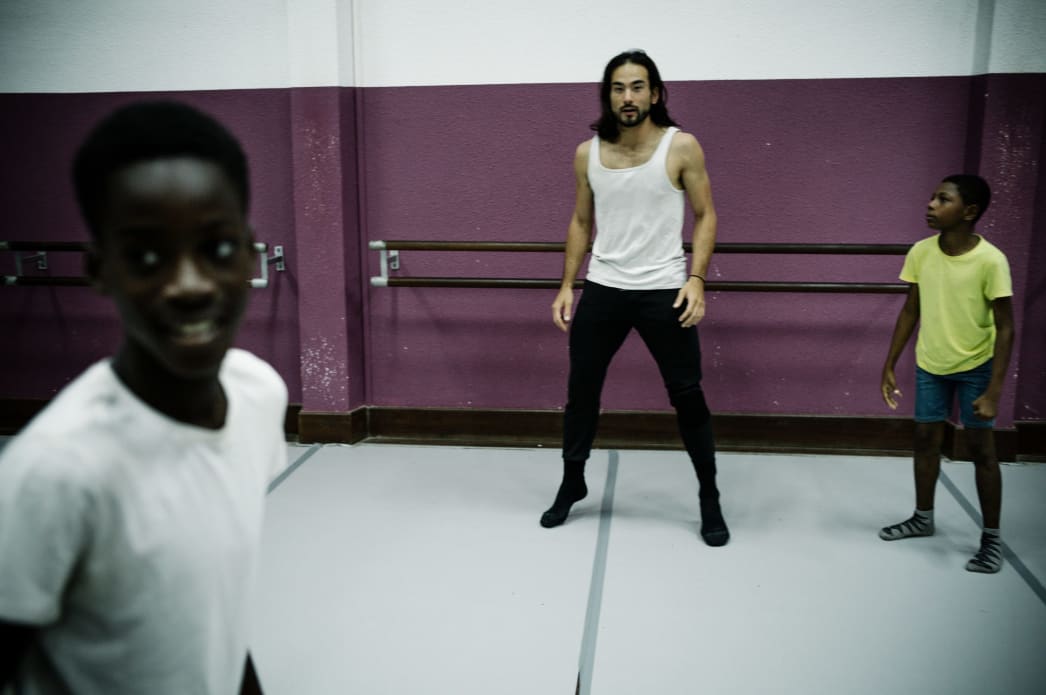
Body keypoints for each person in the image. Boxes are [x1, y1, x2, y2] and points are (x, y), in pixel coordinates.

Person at [0, 101, 288, 693]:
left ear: (251, 253)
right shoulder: (55, 472)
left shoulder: (258, 394)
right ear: (101, 269)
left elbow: (212, 615)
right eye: (148, 257)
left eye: (217, 248)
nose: (189, 284)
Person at [540, 50, 728, 546]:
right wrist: (566, 285)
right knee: (581, 392)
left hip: (665, 290)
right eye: (619, 88)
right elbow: (582, 222)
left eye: (638, 87)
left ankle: (709, 495)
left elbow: (706, 215)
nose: (628, 97)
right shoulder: (588, 154)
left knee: (687, 396)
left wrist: (698, 278)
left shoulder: (681, 147)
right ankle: (572, 481)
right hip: (604, 288)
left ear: (655, 93)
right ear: (608, 95)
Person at [879, 174, 1014, 573]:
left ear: (969, 212)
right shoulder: (921, 252)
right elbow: (910, 311)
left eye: (943, 199)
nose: (931, 205)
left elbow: (1006, 327)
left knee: (981, 450)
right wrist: (888, 364)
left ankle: (991, 539)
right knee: (924, 438)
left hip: (976, 366)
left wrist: (993, 391)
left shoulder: (991, 260)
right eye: (933, 197)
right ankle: (923, 517)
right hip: (931, 364)